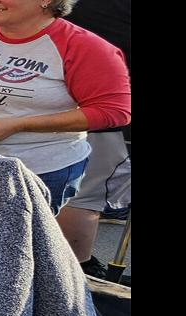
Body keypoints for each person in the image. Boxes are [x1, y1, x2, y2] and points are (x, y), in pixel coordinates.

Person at [0, 0, 129, 214]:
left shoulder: (85, 46)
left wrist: (19, 125)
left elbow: (113, 111)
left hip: (34, 170)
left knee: (7, 245)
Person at [53, 0, 131, 278]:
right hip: (104, 108)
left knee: (73, 189)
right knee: (85, 195)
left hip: (61, 101)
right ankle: (74, 268)